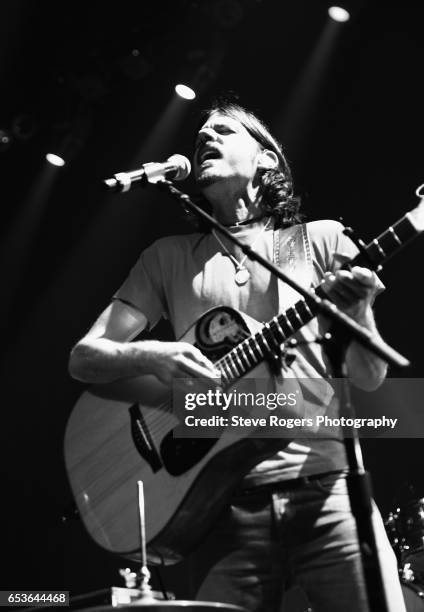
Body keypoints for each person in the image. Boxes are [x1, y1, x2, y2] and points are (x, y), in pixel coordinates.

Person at [69, 101, 406, 611]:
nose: (204, 136)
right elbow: (85, 358)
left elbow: (369, 375)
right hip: (218, 503)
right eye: (200, 132)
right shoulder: (168, 257)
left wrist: (358, 310)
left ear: (267, 160)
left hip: (328, 491)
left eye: (223, 130)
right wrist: (157, 356)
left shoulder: (320, 241)